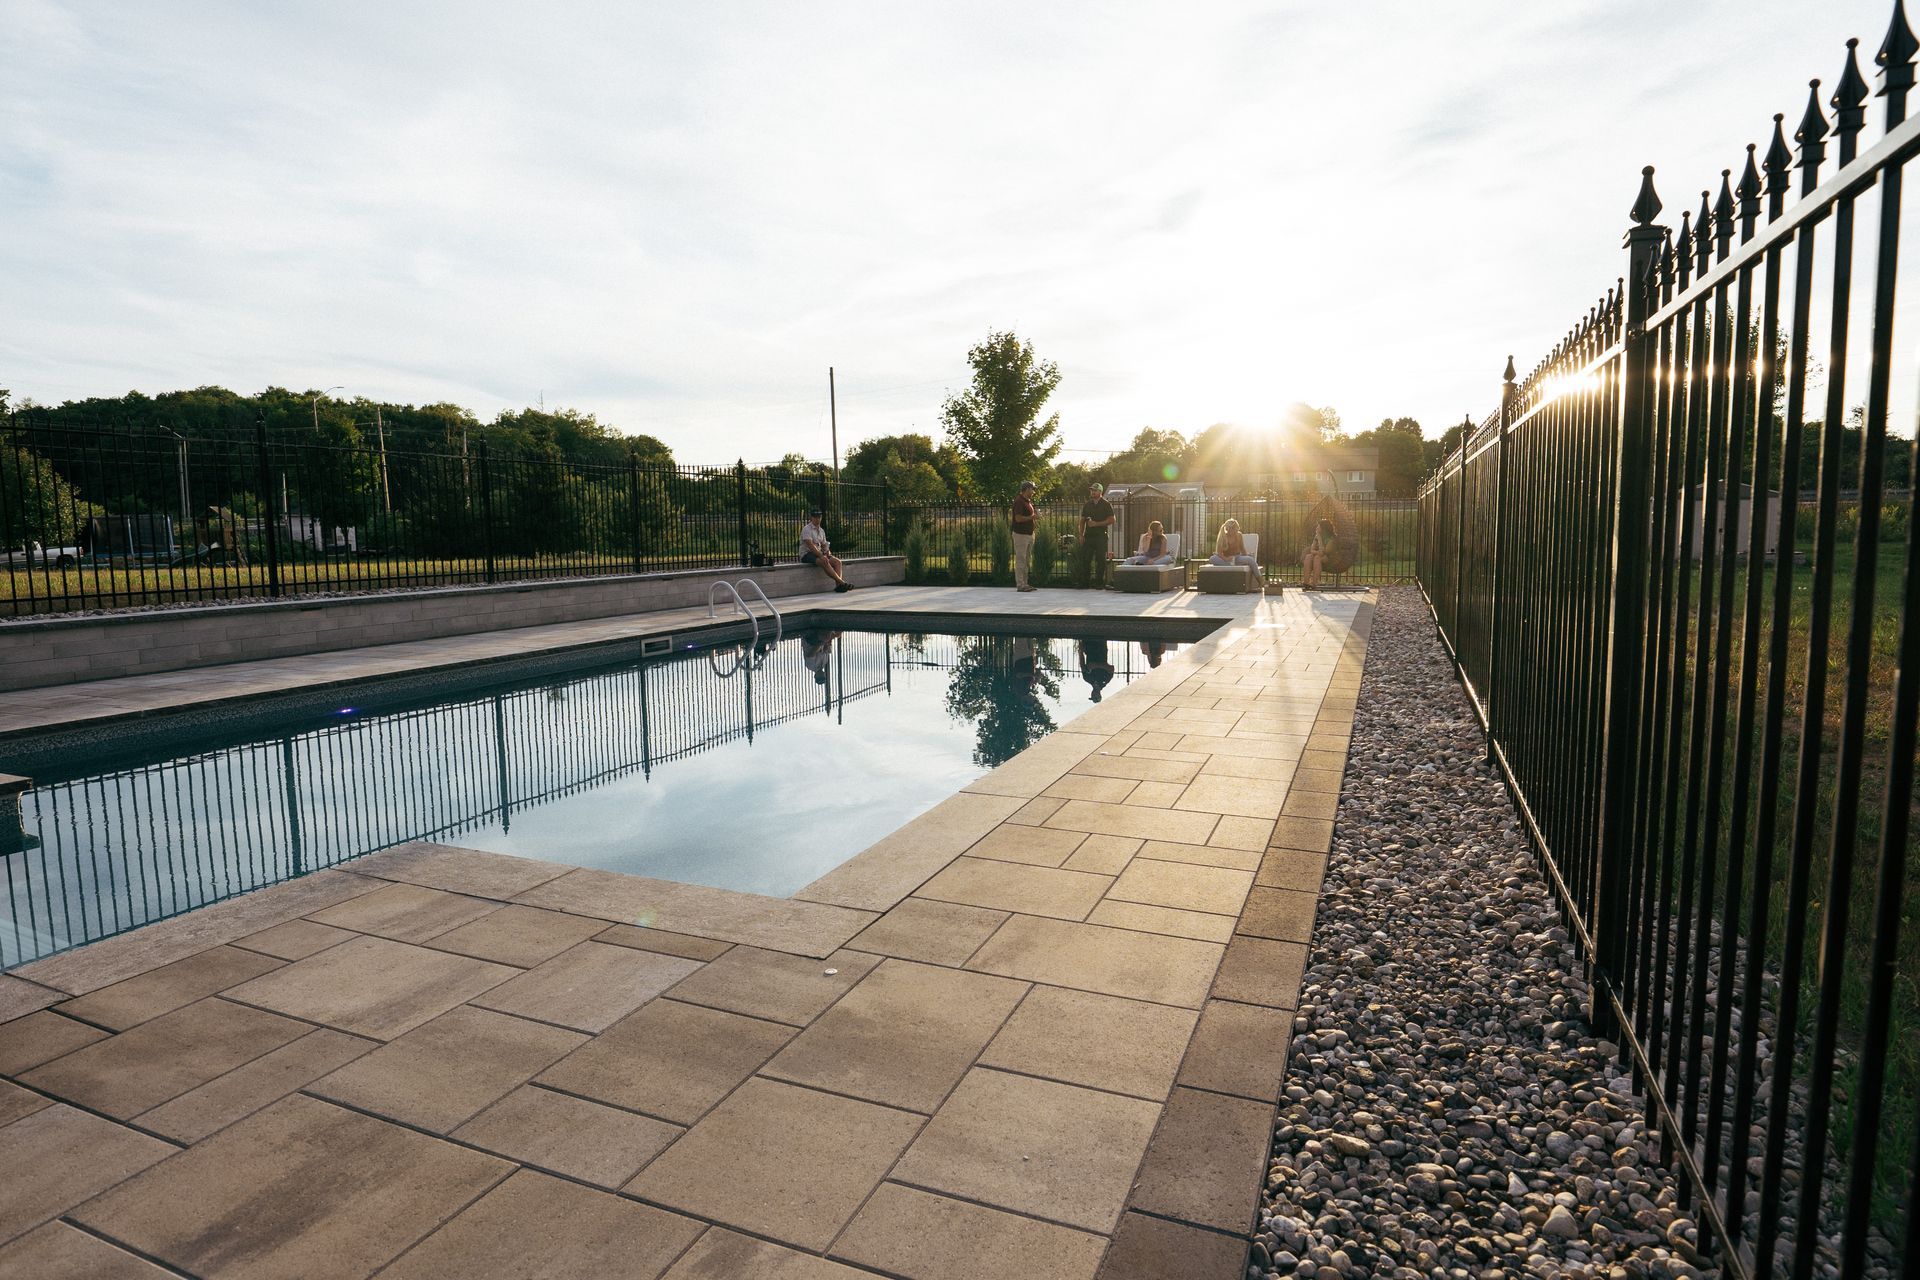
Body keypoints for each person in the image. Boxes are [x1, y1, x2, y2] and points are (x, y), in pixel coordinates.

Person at [799, 510, 852, 592]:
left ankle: (839, 587)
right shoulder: (806, 529)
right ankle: (842, 583)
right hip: (807, 554)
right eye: (815, 517)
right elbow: (810, 545)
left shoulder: (821, 531)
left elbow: (824, 545)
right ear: (811, 518)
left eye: (819, 517)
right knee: (824, 561)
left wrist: (828, 553)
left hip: (818, 554)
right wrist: (821, 556)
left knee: (837, 562)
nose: (817, 519)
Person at [1079, 482, 1114, 589]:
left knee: (1100, 560)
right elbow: (1082, 520)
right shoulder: (1087, 504)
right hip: (1089, 536)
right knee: (1086, 560)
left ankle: (1099, 583)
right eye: (1091, 490)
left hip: (1101, 536)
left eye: (1095, 490)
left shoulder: (1106, 504)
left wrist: (1097, 524)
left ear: (1100, 492)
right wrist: (1081, 535)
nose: (1092, 492)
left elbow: (1112, 519)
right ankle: (1085, 583)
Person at [1011, 480, 1038, 592]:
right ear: (1027, 489)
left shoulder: (1028, 501)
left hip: (1028, 534)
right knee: (1021, 560)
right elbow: (1018, 518)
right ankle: (1020, 584)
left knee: (1027, 560)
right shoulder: (1019, 501)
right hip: (1020, 535)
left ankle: (1025, 583)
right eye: (1032, 489)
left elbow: (1029, 517)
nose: (1033, 491)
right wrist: (1032, 517)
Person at [1302, 516, 1336, 589]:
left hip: (1330, 557)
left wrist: (1319, 539)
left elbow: (1324, 552)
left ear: (1323, 528)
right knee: (1308, 556)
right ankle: (1306, 582)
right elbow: (1312, 550)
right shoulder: (1317, 536)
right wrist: (1317, 552)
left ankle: (1314, 583)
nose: (1316, 528)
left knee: (1317, 558)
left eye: (1318, 526)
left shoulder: (1331, 539)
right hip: (1319, 554)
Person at [1079, 638, 1115, 703]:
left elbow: (1082, 665)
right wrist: (1097, 665)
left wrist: (1080, 651)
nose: (1092, 694)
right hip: (1101, 648)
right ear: (1099, 695)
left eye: (1092, 696)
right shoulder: (1106, 680)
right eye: (1094, 696)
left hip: (1089, 648)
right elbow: (1111, 668)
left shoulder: (1087, 678)